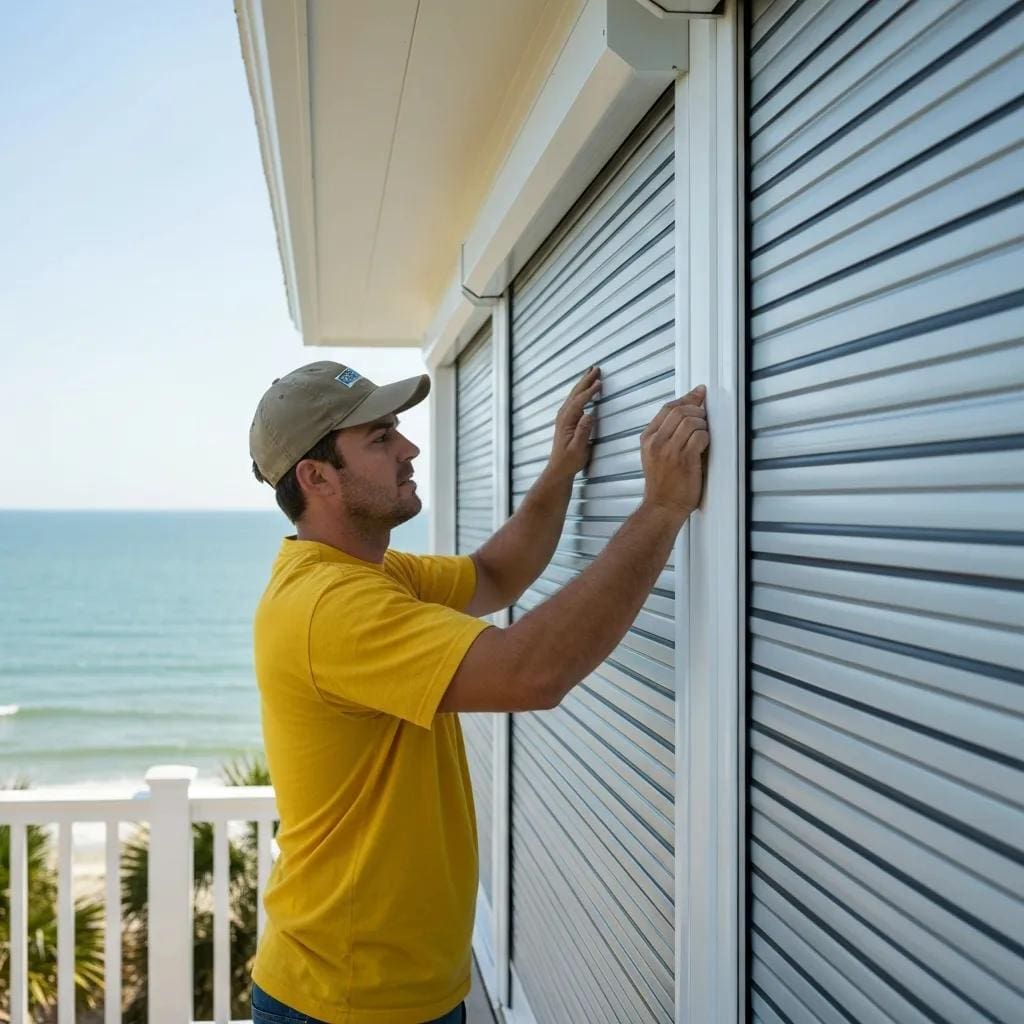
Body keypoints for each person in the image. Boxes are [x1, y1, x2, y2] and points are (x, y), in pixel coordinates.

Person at [247, 359, 709, 1024]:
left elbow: (496, 573)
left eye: (396, 431)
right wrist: (663, 507)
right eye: (380, 439)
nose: (408, 449)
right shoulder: (330, 606)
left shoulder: (371, 575)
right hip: (348, 1002)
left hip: (406, 991)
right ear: (316, 477)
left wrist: (560, 470)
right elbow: (531, 672)